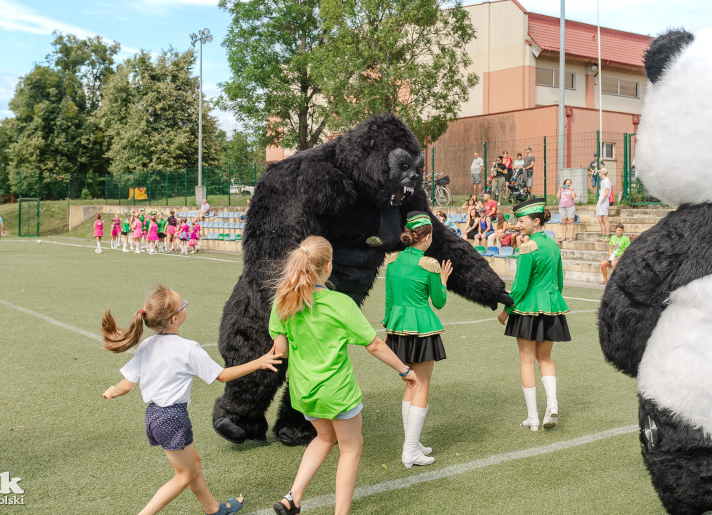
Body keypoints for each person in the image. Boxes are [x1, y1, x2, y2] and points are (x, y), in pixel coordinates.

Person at [268, 236, 418, 515]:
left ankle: (293, 498)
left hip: (305, 391)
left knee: (324, 437)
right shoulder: (341, 304)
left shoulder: (283, 302)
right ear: (328, 265)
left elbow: (281, 351)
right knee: (351, 447)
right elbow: (373, 344)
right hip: (337, 393)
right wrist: (405, 370)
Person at [101, 285, 280, 515]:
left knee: (193, 463)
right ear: (174, 319)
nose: (186, 305)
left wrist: (112, 391)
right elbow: (222, 376)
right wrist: (260, 361)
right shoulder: (188, 349)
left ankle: (214, 508)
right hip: (172, 419)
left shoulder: (146, 346)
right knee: (183, 476)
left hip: (154, 416)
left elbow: (126, 385)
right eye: (183, 303)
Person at [383, 214, 452, 468]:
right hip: (422, 327)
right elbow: (439, 302)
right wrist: (443, 281)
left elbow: (389, 301)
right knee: (421, 386)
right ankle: (410, 450)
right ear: (428, 236)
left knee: (410, 386)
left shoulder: (393, 261)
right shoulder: (429, 264)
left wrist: (389, 329)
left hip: (397, 328)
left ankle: (412, 442)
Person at [497, 198, 570, 431]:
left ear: (536, 221)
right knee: (546, 359)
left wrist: (506, 310)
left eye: (521, 220)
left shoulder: (528, 247)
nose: (518, 224)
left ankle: (533, 418)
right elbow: (559, 280)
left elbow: (519, 286)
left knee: (527, 361)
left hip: (528, 308)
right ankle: (552, 404)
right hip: (551, 306)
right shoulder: (554, 246)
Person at [596, 168, 612, 239]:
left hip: (604, 202)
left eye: (600, 172)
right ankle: (604, 235)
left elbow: (606, 192)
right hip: (600, 201)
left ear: (602, 173)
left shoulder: (606, 181)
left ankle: (607, 235)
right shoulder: (603, 181)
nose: (599, 173)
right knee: (600, 219)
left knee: (605, 218)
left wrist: (602, 201)